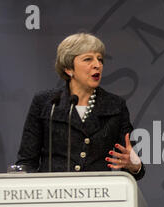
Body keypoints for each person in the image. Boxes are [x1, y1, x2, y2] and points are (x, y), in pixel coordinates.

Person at [16, 33, 145, 179]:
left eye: (100, 59)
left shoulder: (115, 105)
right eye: (88, 59)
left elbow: (135, 168)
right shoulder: (46, 103)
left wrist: (134, 165)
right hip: (54, 195)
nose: (97, 65)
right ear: (69, 68)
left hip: (98, 195)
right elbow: (26, 162)